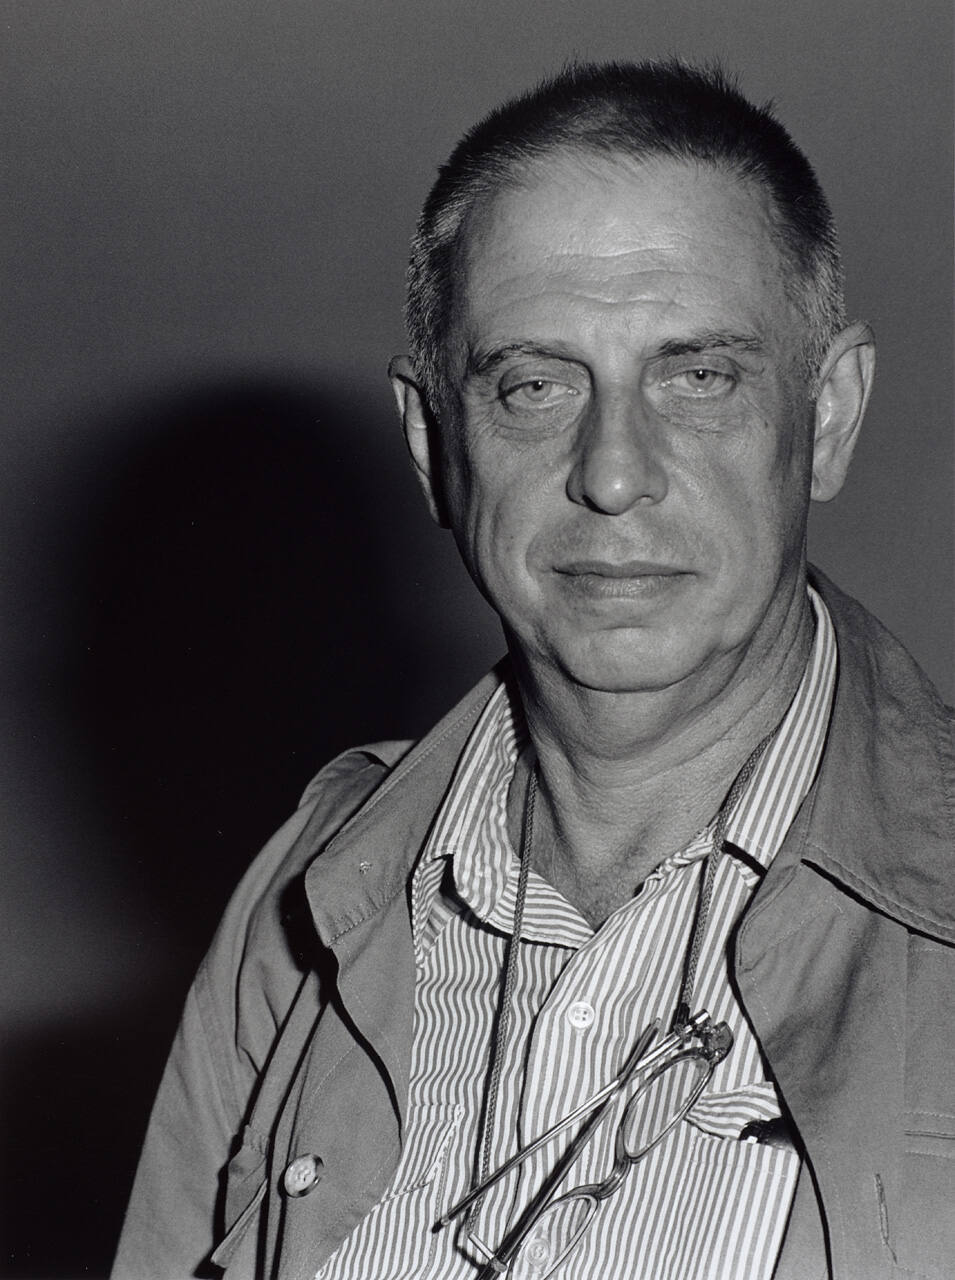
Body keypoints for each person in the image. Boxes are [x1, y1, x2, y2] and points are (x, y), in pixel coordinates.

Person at [113, 61, 954, 1280]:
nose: (611, 472)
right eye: (533, 385)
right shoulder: (302, 901)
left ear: (825, 414)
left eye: (697, 377)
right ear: (432, 445)